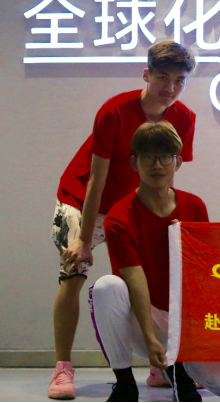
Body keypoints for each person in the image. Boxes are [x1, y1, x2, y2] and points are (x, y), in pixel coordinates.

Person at [48, 41, 196, 399]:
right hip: (82, 199)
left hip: (132, 204)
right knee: (74, 274)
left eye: (179, 80)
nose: (170, 87)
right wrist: (84, 240)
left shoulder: (184, 118)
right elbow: (97, 179)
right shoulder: (114, 111)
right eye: (163, 77)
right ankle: (62, 368)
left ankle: (159, 364)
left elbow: (169, 173)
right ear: (146, 75)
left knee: (157, 276)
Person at [90, 122, 220, 402]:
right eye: (148, 157)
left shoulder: (194, 207)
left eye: (166, 157)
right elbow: (134, 279)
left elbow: (204, 273)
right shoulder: (118, 217)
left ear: (178, 162)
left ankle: (178, 369)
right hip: (144, 316)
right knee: (107, 287)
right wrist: (151, 338)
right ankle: (125, 383)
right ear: (135, 163)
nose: (157, 165)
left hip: (185, 316)